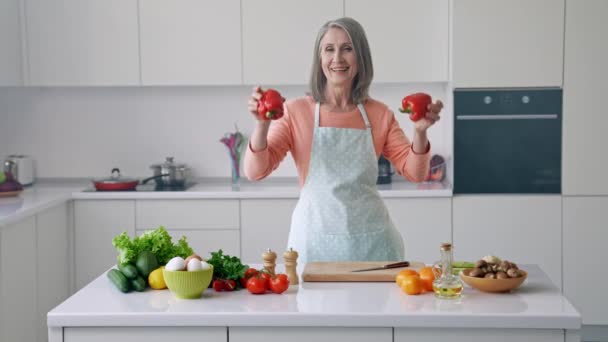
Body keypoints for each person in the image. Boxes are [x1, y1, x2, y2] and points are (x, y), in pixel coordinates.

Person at [244, 17, 443, 263]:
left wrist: (420, 132)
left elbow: (416, 173)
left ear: (361, 57)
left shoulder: (379, 114)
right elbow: (255, 172)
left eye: (347, 49)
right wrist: (262, 125)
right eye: (329, 49)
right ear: (320, 59)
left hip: (374, 247)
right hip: (313, 245)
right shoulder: (296, 112)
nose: (337, 58)